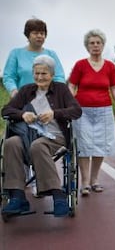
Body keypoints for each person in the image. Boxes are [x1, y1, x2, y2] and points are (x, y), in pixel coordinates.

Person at [1, 55, 82, 217]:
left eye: (44, 74)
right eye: (36, 73)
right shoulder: (26, 91)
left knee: (38, 145)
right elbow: (6, 110)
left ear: (52, 74)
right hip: (27, 135)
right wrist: (23, 114)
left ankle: (58, 196)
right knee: (11, 143)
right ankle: (17, 197)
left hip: (54, 137)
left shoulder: (61, 89)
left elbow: (76, 111)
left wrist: (54, 113)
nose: (39, 77)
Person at [2, 18, 66, 198]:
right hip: (23, 102)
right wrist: (14, 92)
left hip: (46, 102)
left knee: (42, 139)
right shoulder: (16, 53)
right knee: (19, 139)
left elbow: (59, 76)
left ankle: (41, 180)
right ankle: (18, 184)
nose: (40, 36)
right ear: (28, 35)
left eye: (42, 33)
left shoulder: (51, 54)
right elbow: (8, 75)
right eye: (36, 32)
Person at [68, 29, 115, 196]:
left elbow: (114, 87)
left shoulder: (110, 66)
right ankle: (84, 182)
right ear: (87, 46)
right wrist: (71, 103)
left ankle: (94, 180)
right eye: (92, 43)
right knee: (84, 146)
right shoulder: (80, 65)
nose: (95, 46)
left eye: (98, 43)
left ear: (103, 45)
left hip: (104, 110)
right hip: (82, 111)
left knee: (101, 145)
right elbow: (71, 85)